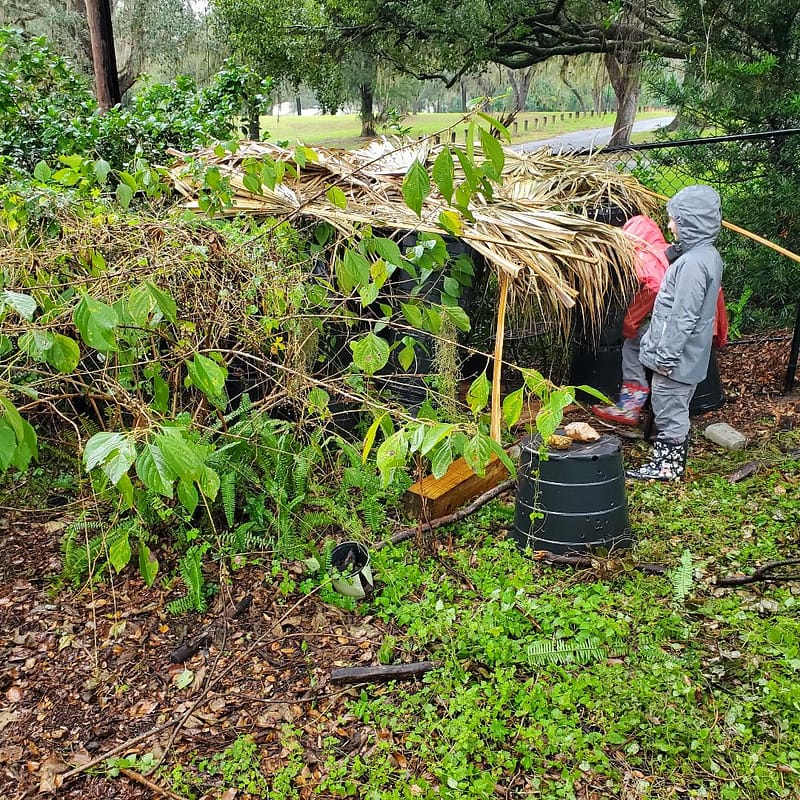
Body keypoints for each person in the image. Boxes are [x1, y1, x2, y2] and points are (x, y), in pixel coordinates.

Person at [625, 184, 725, 481]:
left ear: (692, 223)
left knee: (669, 409)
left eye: (676, 220)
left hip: (677, 358)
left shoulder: (692, 266)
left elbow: (681, 316)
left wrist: (664, 358)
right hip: (690, 352)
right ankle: (668, 460)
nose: (670, 225)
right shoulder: (706, 255)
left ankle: (667, 466)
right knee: (670, 406)